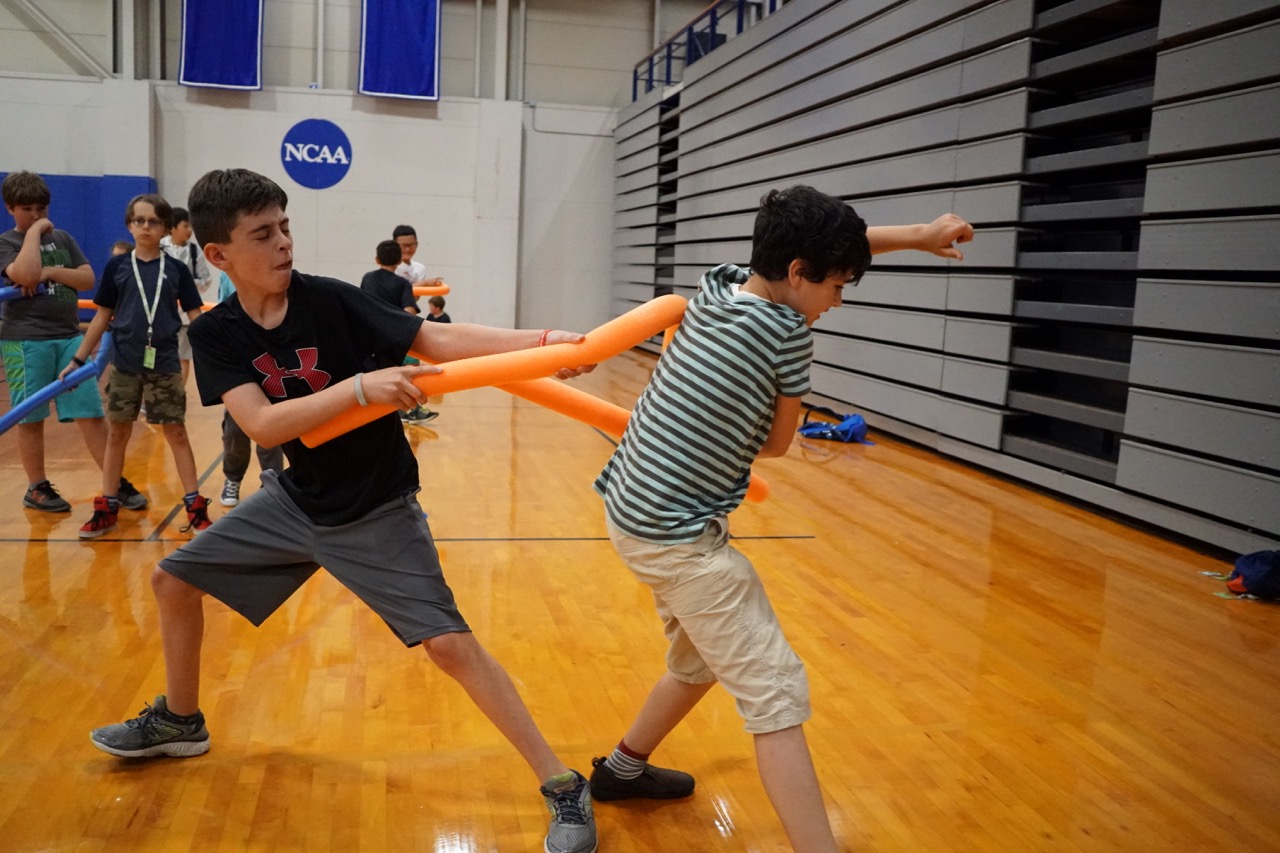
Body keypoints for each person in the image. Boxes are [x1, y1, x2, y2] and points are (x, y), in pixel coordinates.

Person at [87, 168, 598, 853]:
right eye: (263, 234)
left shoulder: (333, 301)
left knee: (450, 644)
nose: (283, 243)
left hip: (377, 506)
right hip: (297, 502)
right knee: (172, 578)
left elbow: (439, 343)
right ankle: (181, 720)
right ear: (218, 255)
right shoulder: (217, 334)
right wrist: (361, 388)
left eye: (286, 227)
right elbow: (264, 426)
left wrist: (547, 344)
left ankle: (564, 785)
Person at [588, 185, 974, 851]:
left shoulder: (721, 285)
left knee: (699, 659)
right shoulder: (788, 336)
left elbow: (821, 253)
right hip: (679, 536)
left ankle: (623, 769)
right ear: (799, 273)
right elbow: (775, 444)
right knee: (776, 694)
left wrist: (916, 235)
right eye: (838, 286)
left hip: (633, 505)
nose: (838, 301)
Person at [62, 193, 212, 538]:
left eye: (154, 221)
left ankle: (195, 507)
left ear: (164, 228)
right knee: (117, 434)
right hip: (126, 363)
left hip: (165, 362)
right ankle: (108, 506)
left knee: (176, 432)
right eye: (139, 220)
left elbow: (195, 316)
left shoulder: (175, 270)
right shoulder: (118, 267)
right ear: (130, 225)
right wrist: (78, 359)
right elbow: (102, 316)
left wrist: (221, 351)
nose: (146, 226)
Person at [0, 171, 147, 514]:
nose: (37, 216)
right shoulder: (7, 243)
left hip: (69, 338)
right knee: (30, 416)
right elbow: (24, 274)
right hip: (26, 341)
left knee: (91, 412)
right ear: (10, 208)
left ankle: (114, 482)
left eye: (41, 209)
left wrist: (51, 273)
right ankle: (37, 487)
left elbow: (87, 277)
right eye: (27, 210)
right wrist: (34, 233)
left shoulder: (64, 238)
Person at [210, 270, 284, 507]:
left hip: (269, 362)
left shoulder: (275, 276)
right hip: (239, 365)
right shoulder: (226, 277)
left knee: (271, 431)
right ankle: (233, 478)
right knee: (235, 431)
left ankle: (273, 485)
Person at [362, 239, 437, 424]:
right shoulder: (402, 284)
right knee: (411, 372)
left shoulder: (368, 278)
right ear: (398, 262)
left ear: (377, 259)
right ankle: (412, 410)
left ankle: (385, 413)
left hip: (370, 338)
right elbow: (409, 312)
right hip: (394, 339)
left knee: (377, 377)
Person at [161, 206, 216, 382]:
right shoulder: (159, 248)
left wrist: (187, 283)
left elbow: (206, 280)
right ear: (173, 227)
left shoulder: (195, 251)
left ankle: (179, 396)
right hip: (160, 315)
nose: (190, 231)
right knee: (159, 357)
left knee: (183, 358)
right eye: (186, 226)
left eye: (191, 226)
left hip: (185, 316)